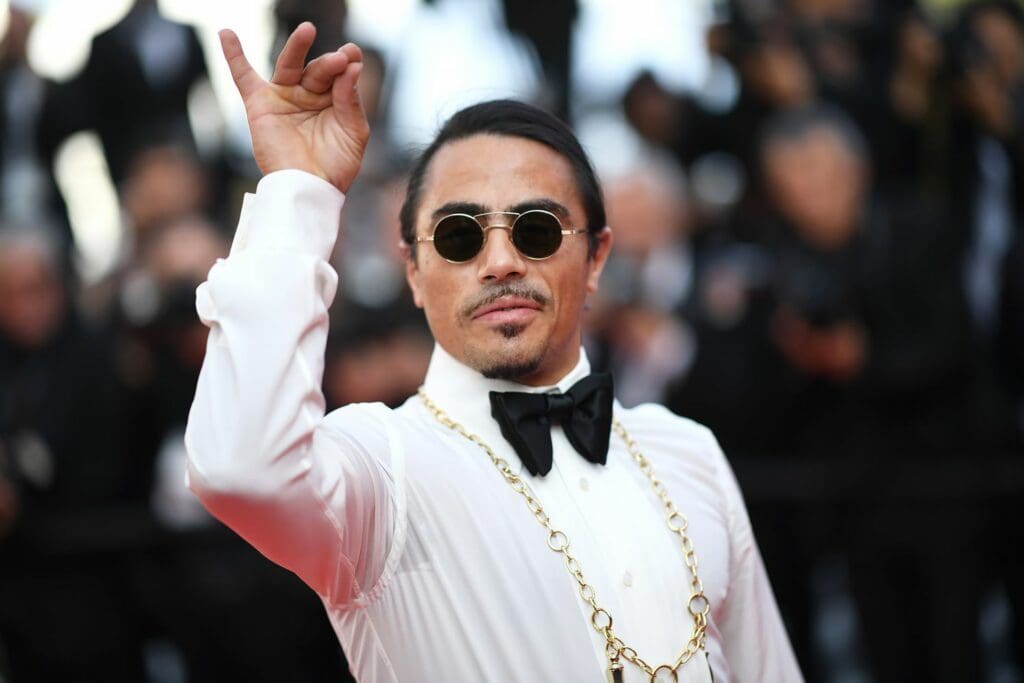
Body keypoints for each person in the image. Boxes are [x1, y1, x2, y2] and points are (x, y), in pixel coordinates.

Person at [185, 22, 801, 682]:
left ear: (596, 258)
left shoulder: (690, 454)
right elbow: (243, 468)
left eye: (537, 230)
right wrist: (297, 190)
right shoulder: (382, 470)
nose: (501, 260)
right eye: (460, 236)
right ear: (414, 271)